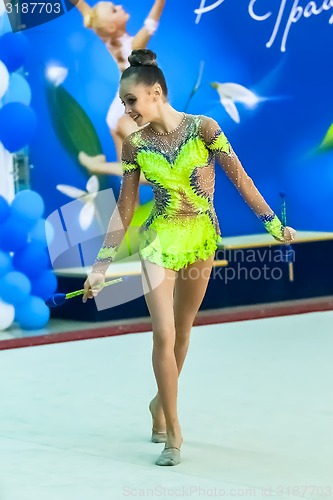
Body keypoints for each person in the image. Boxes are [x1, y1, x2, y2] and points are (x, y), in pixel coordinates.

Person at [82, 49, 296, 467]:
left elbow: (241, 180)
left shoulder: (204, 129)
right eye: (124, 103)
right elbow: (125, 208)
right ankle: (174, 434)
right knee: (163, 333)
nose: (126, 110)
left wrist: (274, 225)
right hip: (159, 242)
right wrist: (101, 266)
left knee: (182, 332)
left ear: (155, 92)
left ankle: (158, 404)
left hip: (200, 240)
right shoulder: (134, 145)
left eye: (131, 101)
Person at [74, 0, 165, 184]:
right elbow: (151, 23)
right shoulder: (133, 46)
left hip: (120, 109)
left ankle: (98, 167)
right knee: (152, 172)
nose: (121, 6)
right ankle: (97, 167)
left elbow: (85, 10)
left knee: (130, 183)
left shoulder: (110, 40)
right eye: (115, 10)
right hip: (126, 113)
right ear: (110, 26)